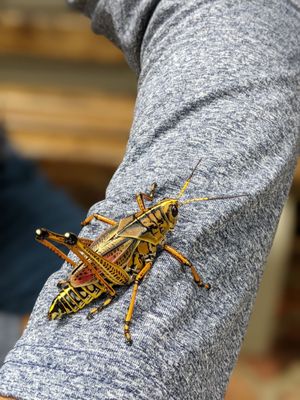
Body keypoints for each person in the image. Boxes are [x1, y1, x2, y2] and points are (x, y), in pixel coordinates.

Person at [0, 0, 299, 399]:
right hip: (99, 274)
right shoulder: (152, 232)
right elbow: (139, 282)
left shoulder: (147, 216)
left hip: (20, 204)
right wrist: (130, 324)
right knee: (134, 280)